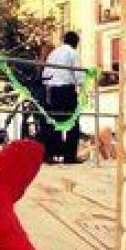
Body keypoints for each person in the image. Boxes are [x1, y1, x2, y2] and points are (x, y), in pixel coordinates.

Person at [41, 31, 82, 164]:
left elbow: (46, 73)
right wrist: (81, 86)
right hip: (66, 89)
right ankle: (69, 156)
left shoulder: (54, 53)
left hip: (53, 90)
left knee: (54, 123)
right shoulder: (73, 53)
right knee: (72, 123)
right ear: (75, 42)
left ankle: (52, 154)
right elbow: (78, 74)